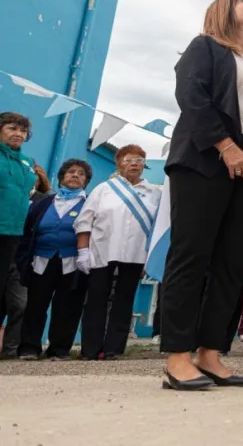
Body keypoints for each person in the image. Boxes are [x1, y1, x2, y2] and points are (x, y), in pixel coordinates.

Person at [160, 0, 243, 390]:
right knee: (191, 254)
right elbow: (191, 96)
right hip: (205, 159)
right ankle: (178, 357)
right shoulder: (206, 48)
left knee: (232, 263)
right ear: (223, 12)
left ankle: (210, 354)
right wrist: (226, 146)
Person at [75, 145, 162, 360]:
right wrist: (83, 251)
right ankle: (90, 348)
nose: (134, 163)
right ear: (119, 163)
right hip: (102, 252)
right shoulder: (104, 189)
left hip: (136, 254)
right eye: (129, 159)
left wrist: (150, 258)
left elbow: (157, 227)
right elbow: (84, 221)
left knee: (124, 300)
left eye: (140, 160)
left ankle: (114, 347)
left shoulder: (153, 193)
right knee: (96, 300)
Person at [16, 159, 92, 360]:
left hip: (74, 262)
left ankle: (59, 349)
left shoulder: (90, 205)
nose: (75, 175)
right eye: (71, 172)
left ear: (86, 181)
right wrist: (24, 259)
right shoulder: (43, 203)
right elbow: (26, 233)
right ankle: (29, 348)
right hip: (40, 260)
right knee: (35, 305)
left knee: (67, 307)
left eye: (81, 174)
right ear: (62, 177)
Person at [1, 165, 49, 359]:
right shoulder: (7, 195)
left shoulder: (44, 201)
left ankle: (10, 350)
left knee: (20, 304)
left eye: (33, 176)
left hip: (21, 260)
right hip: (3, 252)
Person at [0, 113, 37, 308]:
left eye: (23, 131)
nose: (19, 134)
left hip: (13, 233)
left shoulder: (27, 162)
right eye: (12, 128)